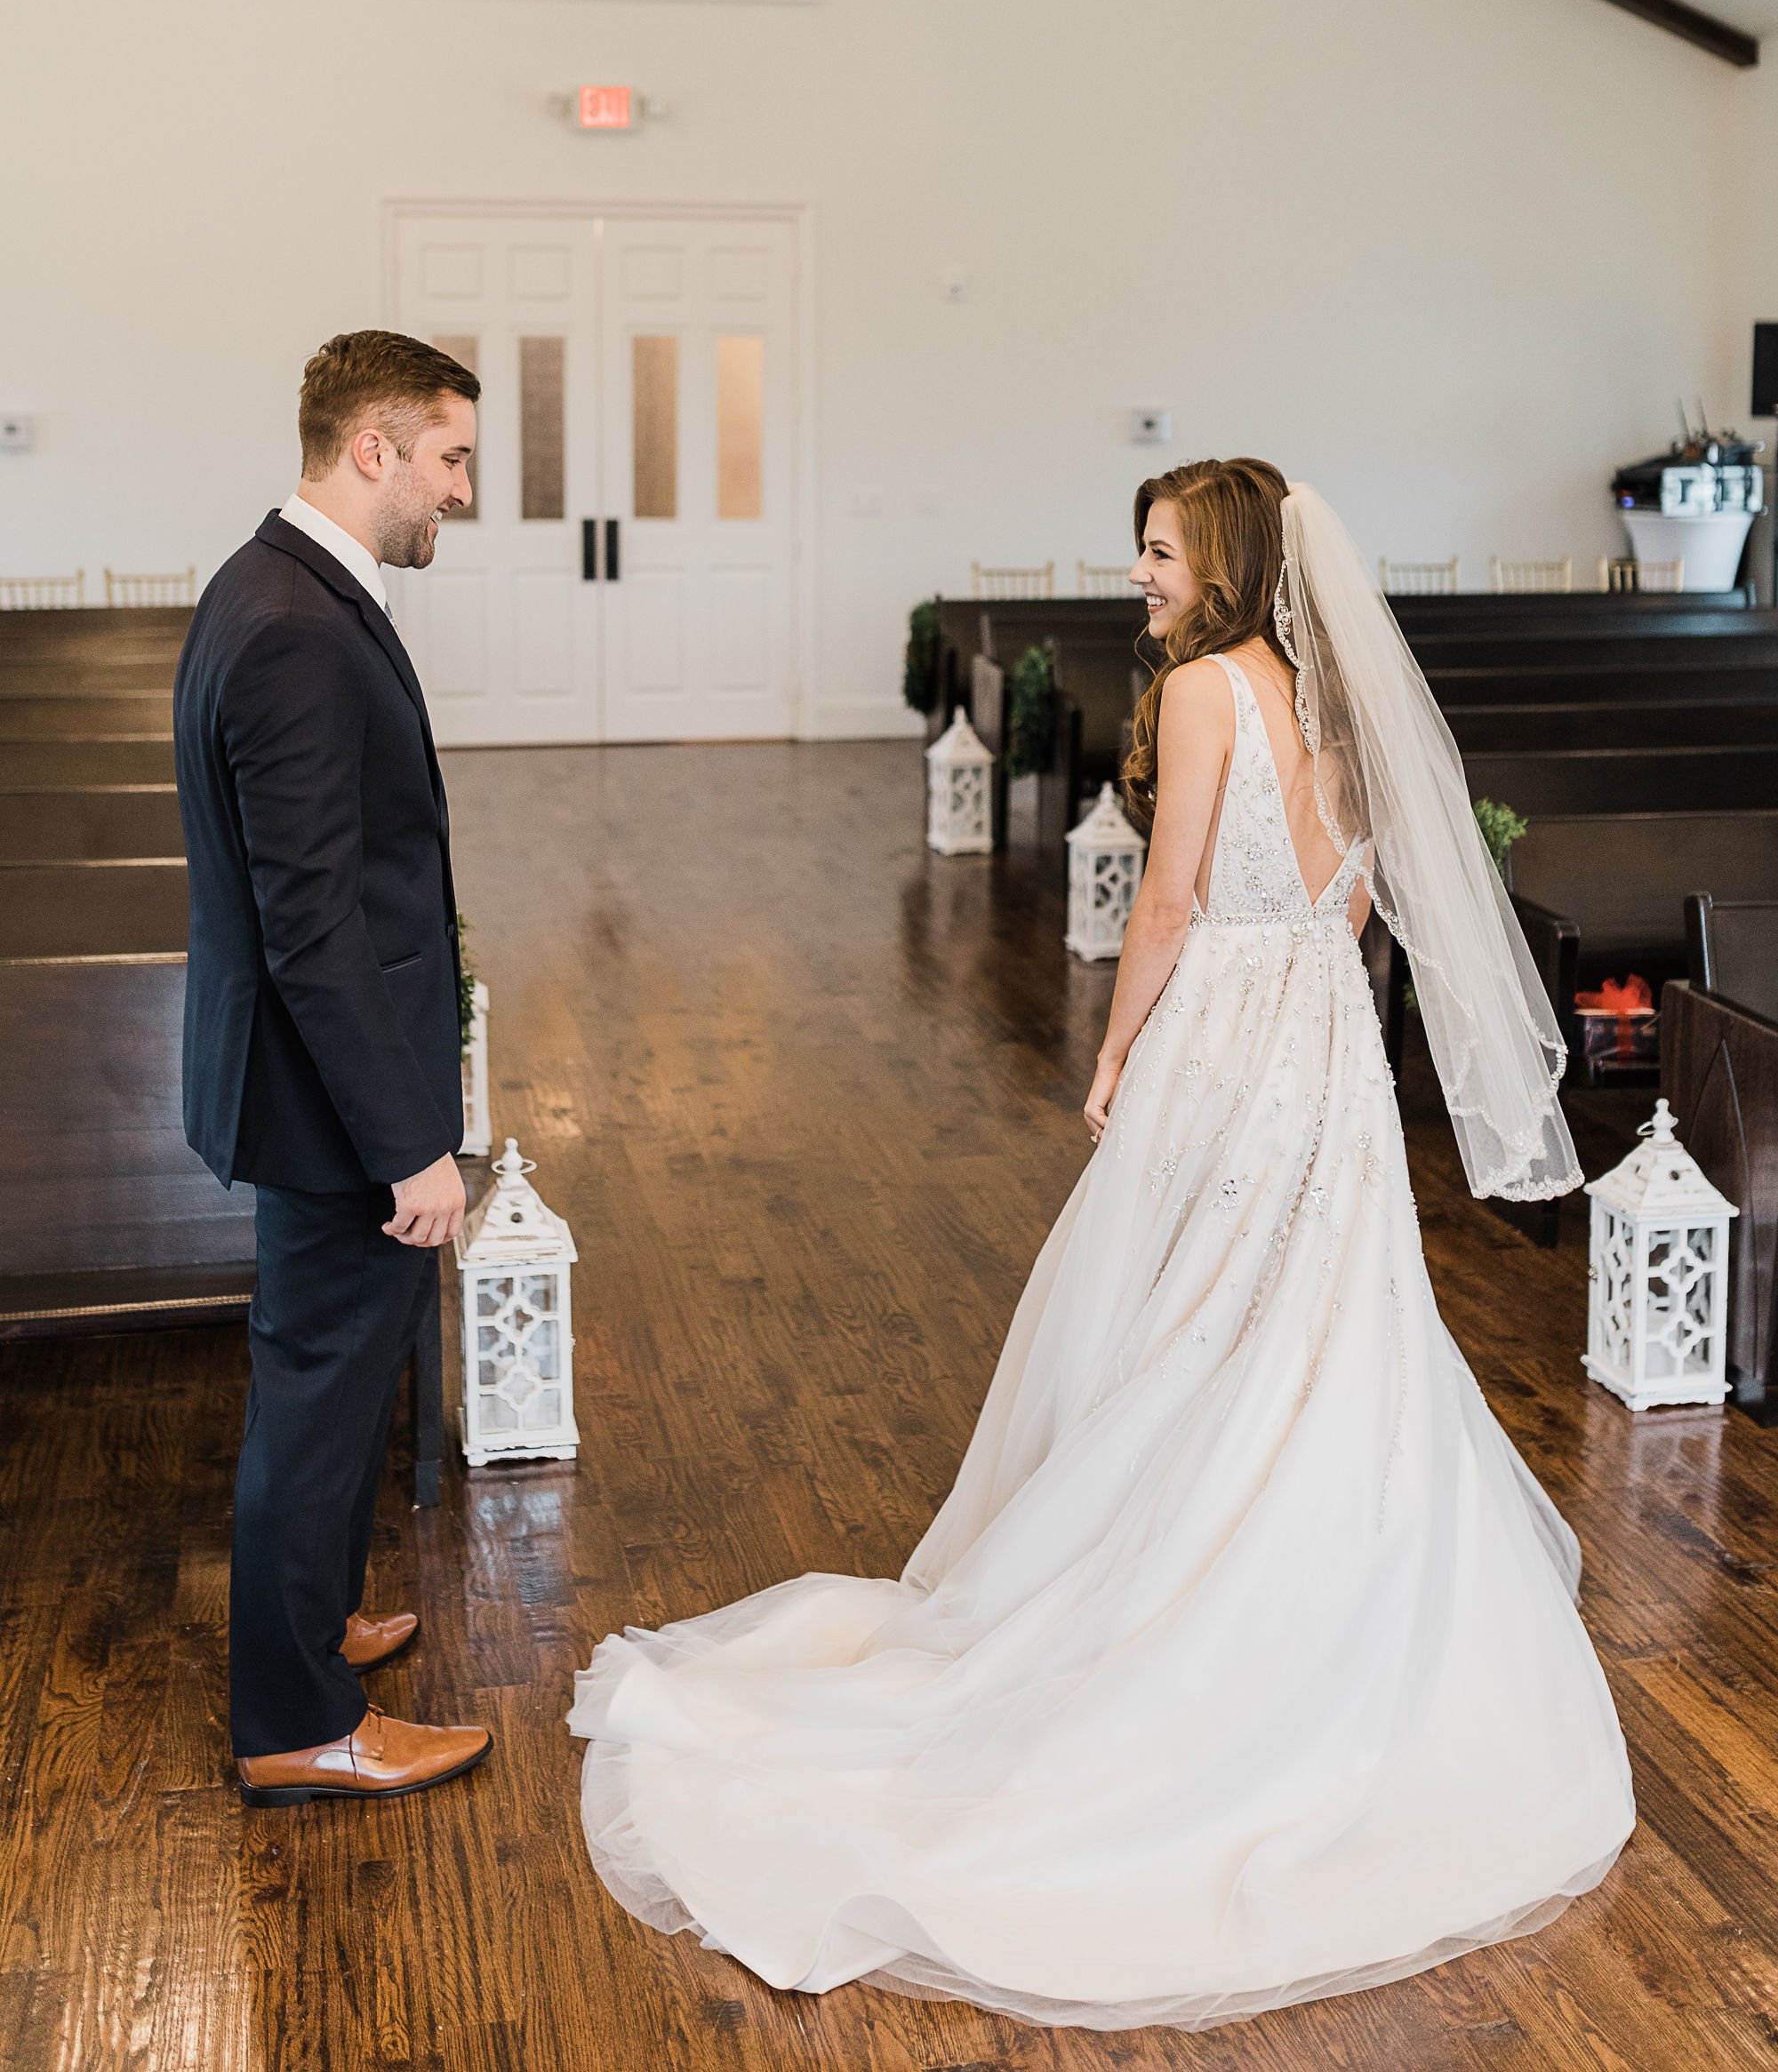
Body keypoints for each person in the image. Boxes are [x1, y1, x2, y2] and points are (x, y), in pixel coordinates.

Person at [567, 457, 1633, 2031]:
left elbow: (1167, 904)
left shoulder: (1209, 690)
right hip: (1326, 1047)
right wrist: (1295, 1012)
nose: (1137, 575)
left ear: (1216, 558)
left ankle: (1157, 1605)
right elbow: (1352, 917)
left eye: (1154, 551)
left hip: (1227, 1034)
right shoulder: (1341, 703)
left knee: (1184, 1317)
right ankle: (1310, 1590)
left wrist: (1123, 1055)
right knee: (1316, 1316)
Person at [175, 330, 493, 1807]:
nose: (462, 493)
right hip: (330, 1106)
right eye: (449, 458)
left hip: (311, 1090)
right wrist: (408, 1142)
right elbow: (311, 925)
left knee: (335, 1381)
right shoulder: (297, 624)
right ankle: (297, 1717)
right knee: (315, 1398)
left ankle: (317, 1621)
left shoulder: (272, 583)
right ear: (371, 451)